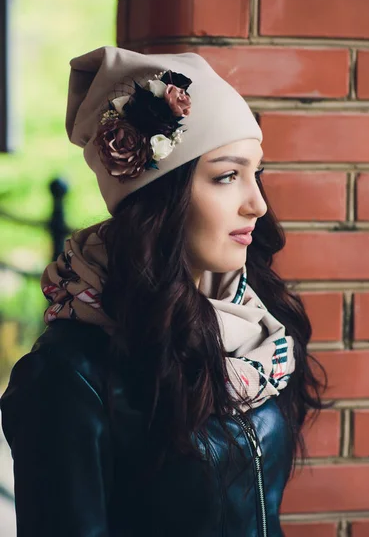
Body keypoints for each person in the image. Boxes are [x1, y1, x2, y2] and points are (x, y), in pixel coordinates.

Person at [1, 46, 326, 537]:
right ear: (159, 197)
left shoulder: (257, 328)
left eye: (255, 174)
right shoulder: (68, 378)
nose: (257, 204)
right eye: (226, 176)